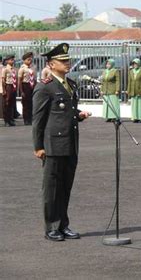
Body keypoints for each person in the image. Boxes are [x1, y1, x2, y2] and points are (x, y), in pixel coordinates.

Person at [32, 42, 92, 241]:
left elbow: (65, 112)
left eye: (68, 60)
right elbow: (38, 119)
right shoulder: (45, 88)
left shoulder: (70, 84)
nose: (67, 63)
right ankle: (52, 227)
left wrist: (79, 114)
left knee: (65, 187)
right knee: (52, 189)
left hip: (70, 143)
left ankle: (63, 224)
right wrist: (38, 146)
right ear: (50, 64)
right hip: (52, 145)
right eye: (62, 61)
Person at [18, 52, 36, 125]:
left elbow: (34, 78)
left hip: (31, 86)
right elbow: (19, 80)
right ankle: (26, 119)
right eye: (28, 59)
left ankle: (31, 118)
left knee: (31, 103)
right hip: (25, 86)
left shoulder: (31, 68)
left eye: (31, 59)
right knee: (26, 104)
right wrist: (21, 91)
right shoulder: (22, 69)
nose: (30, 61)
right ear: (24, 60)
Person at [126, 58, 141, 123]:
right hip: (133, 90)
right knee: (134, 104)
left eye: (136, 63)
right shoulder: (131, 71)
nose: (135, 65)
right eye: (134, 64)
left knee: (140, 104)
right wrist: (128, 90)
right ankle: (135, 117)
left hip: (140, 89)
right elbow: (129, 81)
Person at [1, 54, 17, 126]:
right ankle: (6, 121)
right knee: (6, 104)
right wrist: (4, 90)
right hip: (8, 86)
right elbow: (3, 80)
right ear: (7, 61)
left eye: (13, 59)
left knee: (11, 104)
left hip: (13, 87)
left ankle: (11, 120)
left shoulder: (13, 69)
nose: (13, 61)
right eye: (11, 60)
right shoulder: (5, 69)